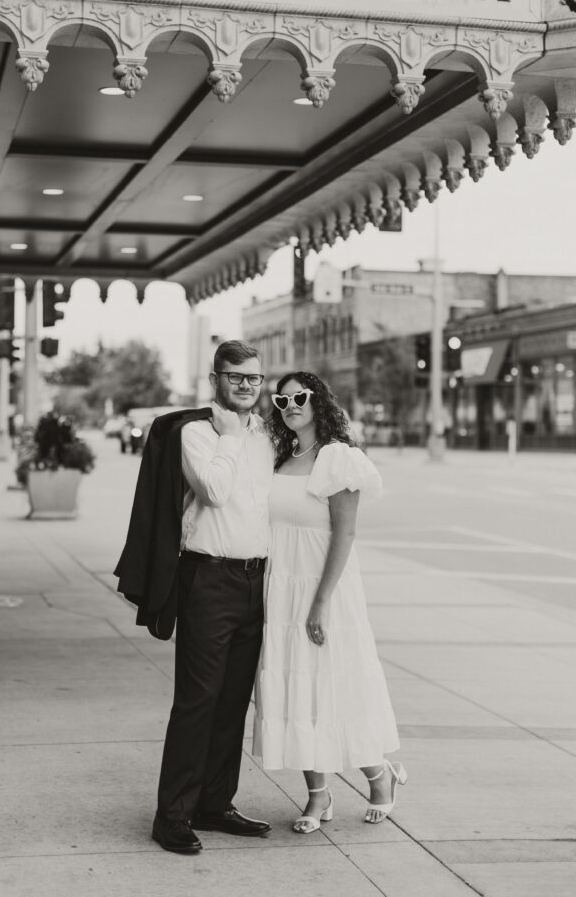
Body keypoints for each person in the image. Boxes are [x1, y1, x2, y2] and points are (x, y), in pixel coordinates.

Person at [253, 370, 405, 833]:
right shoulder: (282, 456)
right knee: (296, 694)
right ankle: (318, 796)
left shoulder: (337, 457)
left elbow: (346, 533)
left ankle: (381, 778)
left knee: (334, 690)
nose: (291, 405)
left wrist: (320, 602)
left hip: (325, 591)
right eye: (281, 402)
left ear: (318, 400)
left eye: (299, 397)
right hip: (280, 590)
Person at [149, 340, 274, 855]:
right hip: (208, 580)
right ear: (215, 378)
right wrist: (228, 439)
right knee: (197, 701)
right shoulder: (196, 434)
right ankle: (172, 815)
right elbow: (215, 491)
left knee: (231, 705)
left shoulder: (267, 436)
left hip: (255, 581)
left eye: (253, 378)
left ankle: (215, 804)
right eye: (235, 377)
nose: (245, 386)